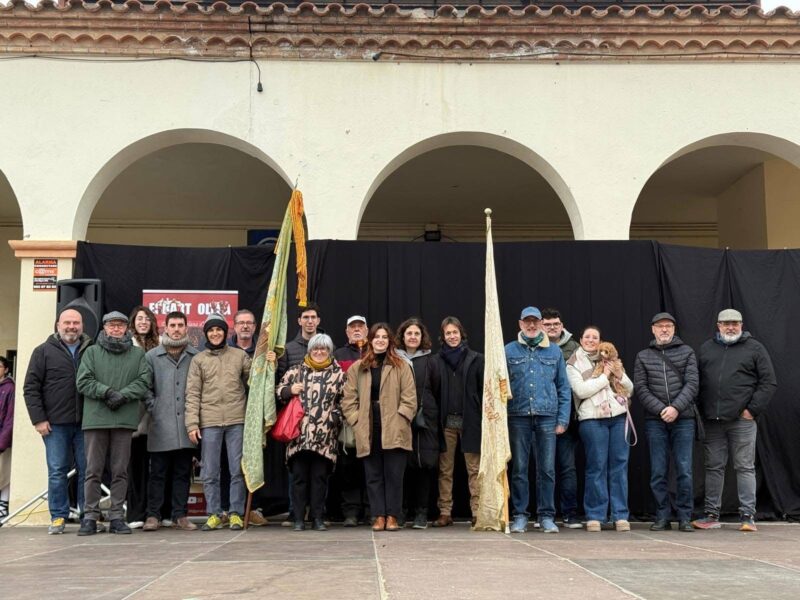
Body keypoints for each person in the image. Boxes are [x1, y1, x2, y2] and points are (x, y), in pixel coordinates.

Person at [692, 309, 777, 532]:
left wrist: (751, 410)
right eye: (726, 323)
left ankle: (748, 516)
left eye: (735, 323)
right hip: (712, 421)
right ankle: (711, 515)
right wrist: (702, 409)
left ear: (741, 325)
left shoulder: (755, 348)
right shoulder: (707, 348)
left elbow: (768, 382)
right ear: (718, 326)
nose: (731, 327)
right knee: (713, 467)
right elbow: (697, 381)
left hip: (742, 421)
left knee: (745, 467)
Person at [76, 311, 151, 536]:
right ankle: (90, 516)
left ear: (127, 328)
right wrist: (107, 392)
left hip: (124, 419)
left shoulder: (138, 354)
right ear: (104, 328)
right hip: (96, 419)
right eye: (112, 325)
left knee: (120, 471)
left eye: (120, 325)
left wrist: (124, 395)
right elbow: (83, 381)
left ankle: (117, 516)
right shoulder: (91, 352)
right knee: (93, 470)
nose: (116, 329)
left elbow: (144, 381)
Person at [23, 308, 93, 534]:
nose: (72, 327)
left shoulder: (91, 349)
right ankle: (58, 517)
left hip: (86, 423)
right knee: (57, 471)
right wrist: (39, 419)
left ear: (82, 326)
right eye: (67, 323)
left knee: (88, 470)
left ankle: (87, 516)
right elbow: (30, 388)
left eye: (76, 323)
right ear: (58, 325)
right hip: (54, 424)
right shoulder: (42, 351)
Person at [341, 323, 416, 532]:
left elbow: (410, 398)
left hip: (394, 425)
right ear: (370, 341)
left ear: (389, 341)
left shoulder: (401, 366)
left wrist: (401, 419)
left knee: (394, 475)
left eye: (384, 337)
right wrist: (356, 420)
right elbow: (348, 399)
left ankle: (393, 516)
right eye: (377, 337)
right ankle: (378, 516)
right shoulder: (358, 367)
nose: (380, 340)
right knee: (373, 475)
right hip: (368, 425)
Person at [505, 307, 572, 534]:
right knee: (519, 468)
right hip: (517, 416)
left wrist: (562, 419)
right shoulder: (508, 350)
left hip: (547, 416)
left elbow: (563, 387)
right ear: (520, 324)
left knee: (547, 469)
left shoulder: (554, 351)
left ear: (542, 323)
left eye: (535, 321)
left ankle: (546, 516)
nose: (532, 325)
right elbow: (499, 386)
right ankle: (520, 516)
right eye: (527, 322)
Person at [185, 313, 252, 531]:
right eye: (211, 330)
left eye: (219, 330)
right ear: (206, 334)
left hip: (236, 419)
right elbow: (192, 393)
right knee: (210, 472)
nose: (215, 333)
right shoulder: (199, 360)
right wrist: (192, 424)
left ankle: (235, 513)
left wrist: (266, 362)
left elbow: (254, 381)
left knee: (237, 471)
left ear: (225, 332)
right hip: (210, 421)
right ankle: (213, 513)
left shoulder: (239, 355)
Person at [634, 312, 699, 533]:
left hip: (684, 419)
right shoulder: (643, 356)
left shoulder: (687, 352)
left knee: (684, 470)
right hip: (655, 420)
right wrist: (662, 410)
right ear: (652, 329)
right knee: (658, 471)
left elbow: (692, 384)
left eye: (668, 326)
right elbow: (641, 388)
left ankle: (684, 517)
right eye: (660, 326)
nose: (664, 329)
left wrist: (675, 408)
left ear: (674, 329)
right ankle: (662, 516)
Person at [566, 326, 634, 532]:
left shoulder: (611, 359)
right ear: (580, 340)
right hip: (592, 419)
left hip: (618, 416)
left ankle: (620, 515)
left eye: (595, 337)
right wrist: (604, 377)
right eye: (587, 337)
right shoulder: (573, 363)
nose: (591, 340)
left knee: (619, 465)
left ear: (600, 341)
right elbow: (580, 391)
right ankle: (595, 515)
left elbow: (630, 389)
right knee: (596, 466)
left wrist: (619, 375)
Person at [277, 334, 346, 531]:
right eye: (315, 348)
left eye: (323, 349)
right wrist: (290, 390)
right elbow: (278, 391)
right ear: (309, 350)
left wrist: (335, 416)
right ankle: (299, 518)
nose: (319, 352)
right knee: (299, 478)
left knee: (319, 479)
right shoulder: (296, 371)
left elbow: (347, 400)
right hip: (298, 436)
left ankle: (317, 518)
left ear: (329, 351)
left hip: (325, 437)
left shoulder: (338, 374)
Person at [142, 311, 199, 532]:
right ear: (165, 328)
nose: (176, 329)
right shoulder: (151, 356)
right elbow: (144, 387)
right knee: (157, 473)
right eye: (172, 325)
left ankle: (180, 515)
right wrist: (155, 406)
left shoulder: (195, 356)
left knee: (182, 473)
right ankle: (153, 515)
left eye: (180, 325)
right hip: (160, 424)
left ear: (186, 328)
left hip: (186, 425)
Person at [429, 317, 484, 527]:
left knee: (474, 469)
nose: (452, 336)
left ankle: (477, 511)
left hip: (470, 421)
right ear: (442, 337)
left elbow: (482, 391)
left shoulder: (476, 359)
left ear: (461, 334)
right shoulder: (436, 361)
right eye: (448, 333)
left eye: (455, 332)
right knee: (445, 470)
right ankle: (445, 512)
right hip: (446, 423)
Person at [276, 302, 322, 526]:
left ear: (318, 321)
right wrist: (288, 390)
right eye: (306, 317)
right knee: (296, 469)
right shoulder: (288, 349)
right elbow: (279, 383)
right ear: (299, 321)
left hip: (320, 420)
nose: (310, 321)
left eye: (313, 317)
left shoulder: (326, 346)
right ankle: (295, 512)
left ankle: (317, 513)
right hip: (295, 420)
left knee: (319, 471)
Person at [396, 318, 439, 529]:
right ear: (402, 336)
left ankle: (422, 512)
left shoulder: (431, 361)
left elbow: (437, 389)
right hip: (400, 418)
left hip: (425, 420)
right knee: (401, 466)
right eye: (409, 333)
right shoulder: (394, 359)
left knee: (424, 466)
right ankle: (402, 510)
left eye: (416, 334)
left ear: (422, 337)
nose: (413, 337)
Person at [540, 308, 582, 529]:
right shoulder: (534, 346)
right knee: (542, 468)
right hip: (540, 415)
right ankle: (543, 513)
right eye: (547, 324)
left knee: (567, 467)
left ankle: (570, 513)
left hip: (568, 415)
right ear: (541, 326)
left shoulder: (575, 348)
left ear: (562, 325)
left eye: (555, 324)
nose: (552, 328)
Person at [331, 314, 369, 527]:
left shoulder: (375, 352)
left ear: (367, 330)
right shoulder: (338, 355)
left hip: (372, 418)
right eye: (352, 327)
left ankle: (371, 510)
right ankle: (351, 512)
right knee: (348, 468)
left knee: (371, 466)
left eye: (360, 326)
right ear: (346, 332)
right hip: (348, 419)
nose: (356, 330)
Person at [126, 305, 160, 529]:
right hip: (135, 416)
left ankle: (155, 513)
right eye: (139, 318)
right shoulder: (128, 345)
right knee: (136, 468)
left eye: (147, 319)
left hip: (157, 418)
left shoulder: (160, 345)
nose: (143, 322)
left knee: (157, 469)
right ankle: (135, 514)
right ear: (133, 322)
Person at [0, 357, 14, 521]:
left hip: (3, 440)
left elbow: (10, 418)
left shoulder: (9, 388)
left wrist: (2, 441)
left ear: (6, 369)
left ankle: (3, 506)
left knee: (4, 474)